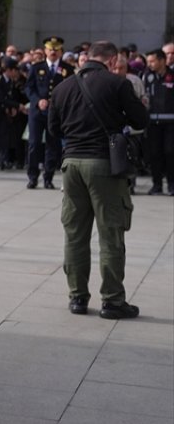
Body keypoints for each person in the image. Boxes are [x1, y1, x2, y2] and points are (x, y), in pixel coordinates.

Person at [49, 41, 148, 319]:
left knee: (75, 235)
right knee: (111, 234)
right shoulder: (117, 84)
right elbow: (141, 120)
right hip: (105, 164)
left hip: (71, 164)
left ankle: (78, 298)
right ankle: (113, 300)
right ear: (113, 59)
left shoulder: (62, 87)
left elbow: (53, 129)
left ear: (87, 57)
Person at [26, 36, 74, 189]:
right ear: (45, 50)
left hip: (56, 113)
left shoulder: (68, 69)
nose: (53, 51)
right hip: (37, 112)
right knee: (34, 144)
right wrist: (37, 100)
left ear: (61, 51)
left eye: (56, 49)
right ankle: (33, 177)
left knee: (52, 145)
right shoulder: (36, 67)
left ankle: (48, 177)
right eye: (50, 49)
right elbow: (29, 88)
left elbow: (71, 90)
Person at [142, 49, 173, 195]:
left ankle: (172, 185)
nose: (150, 64)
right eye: (148, 61)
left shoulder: (171, 75)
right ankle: (157, 185)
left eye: (152, 61)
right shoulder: (147, 75)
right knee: (155, 154)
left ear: (162, 60)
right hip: (153, 122)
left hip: (170, 122)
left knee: (170, 152)